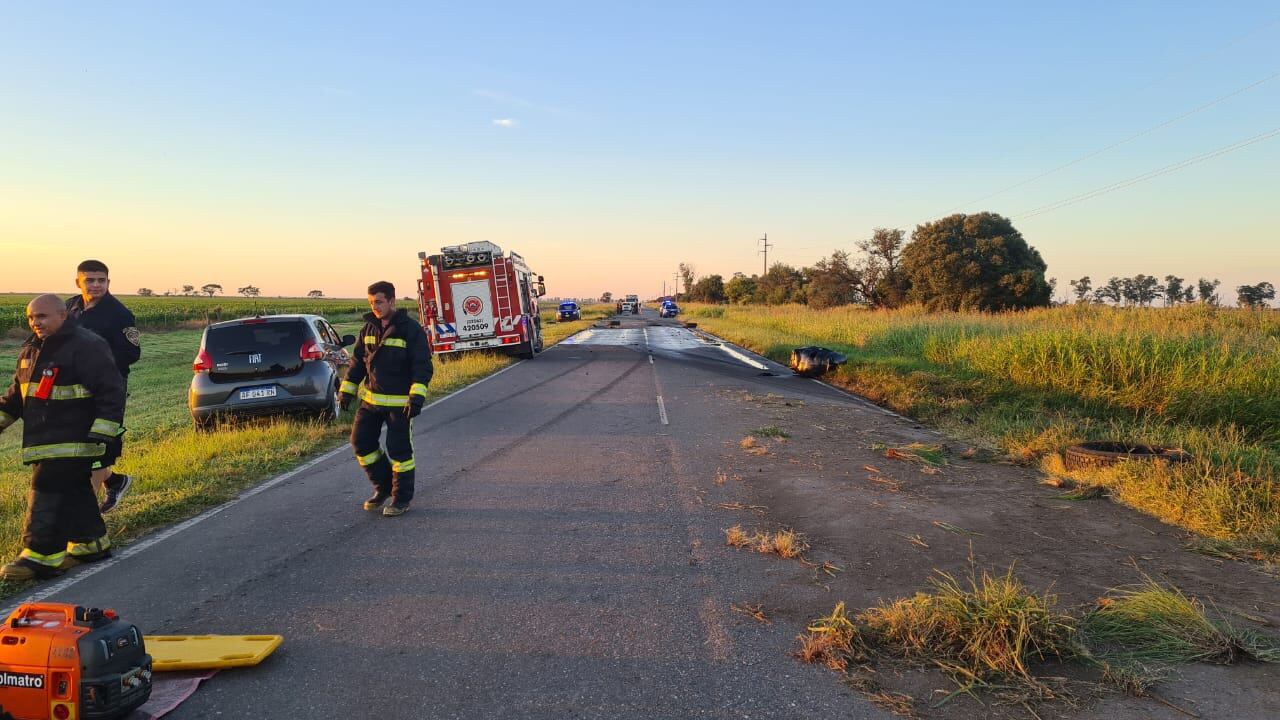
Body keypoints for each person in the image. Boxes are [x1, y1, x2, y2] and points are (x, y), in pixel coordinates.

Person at [0, 295, 125, 581]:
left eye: (42, 316)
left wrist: (103, 434)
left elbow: (111, 392)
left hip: (76, 439)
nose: (35, 323)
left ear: (63, 315)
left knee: (46, 487)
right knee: (76, 489)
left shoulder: (87, 345)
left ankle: (40, 555)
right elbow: (16, 398)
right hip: (46, 440)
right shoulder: (31, 351)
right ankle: (90, 543)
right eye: (31, 318)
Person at [340, 281, 433, 517]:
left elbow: (422, 367)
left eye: (379, 302)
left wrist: (416, 398)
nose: (375, 307)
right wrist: (346, 391)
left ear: (392, 301)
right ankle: (383, 488)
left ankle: (401, 499)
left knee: (399, 452)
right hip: (371, 402)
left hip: (401, 406)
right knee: (361, 444)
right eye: (371, 303)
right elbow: (357, 363)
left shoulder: (410, 330)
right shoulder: (368, 329)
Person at [66, 259, 140, 513]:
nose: (96, 285)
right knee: (79, 447)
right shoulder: (69, 308)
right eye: (90, 280)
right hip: (75, 391)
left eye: (101, 280)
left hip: (108, 392)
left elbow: (131, 353)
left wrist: (94, 365)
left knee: (99, 448)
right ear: (79, 282)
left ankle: (85, 517)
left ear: (108, 282)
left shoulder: (120, 314)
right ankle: (115, 481)